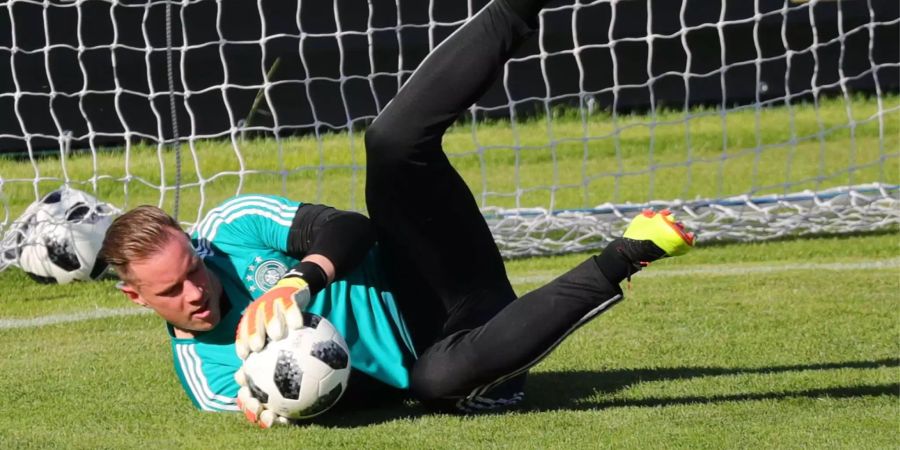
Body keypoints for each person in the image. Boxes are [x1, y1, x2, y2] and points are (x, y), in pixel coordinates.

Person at [99, 0, 694, 427]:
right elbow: (357, 395)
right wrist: (287, 399)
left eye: (193, 269)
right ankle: (631, 251)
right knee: (431, 386)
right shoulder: (207, 375)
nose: (196, 290)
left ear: (192, 244)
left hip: (431, 266)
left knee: (390, 143)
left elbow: (350, 228)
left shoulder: (229, 229)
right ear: (135, 296)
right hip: (452, 352)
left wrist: (297, 282)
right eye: (173, 289)